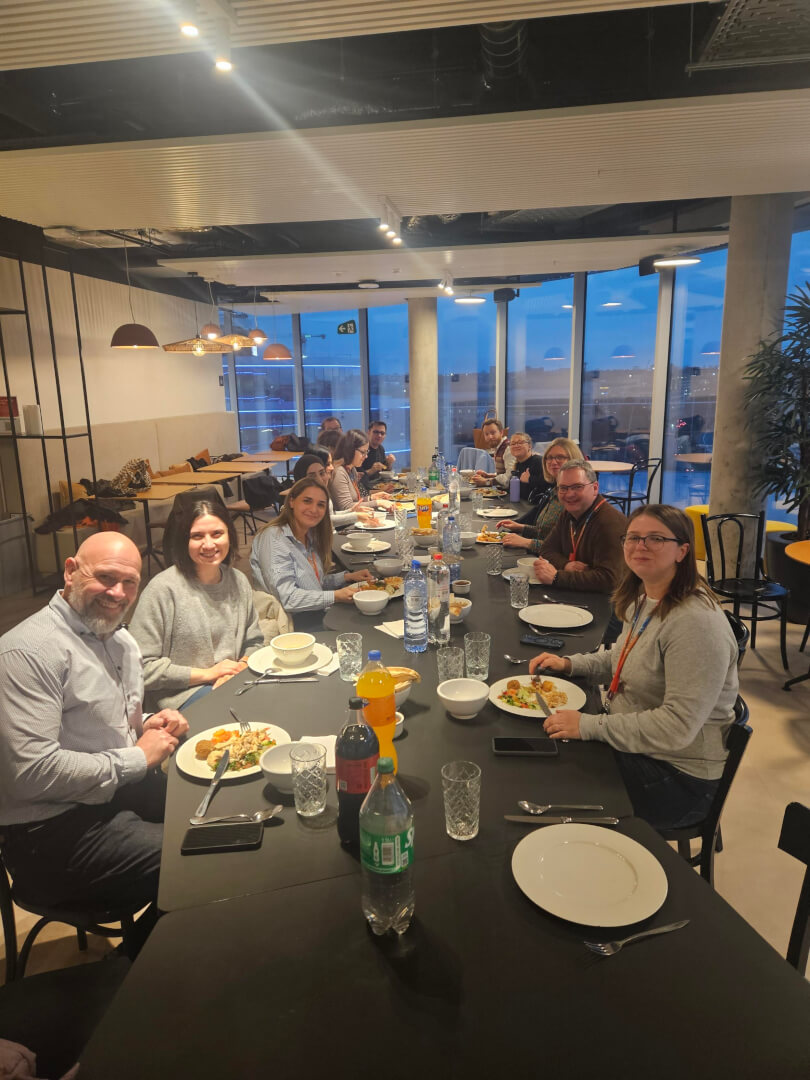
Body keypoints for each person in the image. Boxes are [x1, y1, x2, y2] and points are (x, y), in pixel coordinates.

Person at [0, 533, 188, 943]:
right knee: (193, 857)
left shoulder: (118, 641)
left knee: (213, 818)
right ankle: (140, 975)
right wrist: (138, 759)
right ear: (70, 571)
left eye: (130, 583)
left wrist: (152, 724)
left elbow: (116, 724)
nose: (118, 593)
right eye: (105, 577)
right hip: (48, 835)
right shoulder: (27, 652)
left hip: (109, 795)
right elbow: (30, 772)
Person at [529, 504, 739, 830]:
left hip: (677, 775)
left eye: (655, 538)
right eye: (633, 537)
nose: (640, 546)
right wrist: (570, 664)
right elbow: (621, 658)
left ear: (682, 551)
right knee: (543, 749)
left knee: (553, 778)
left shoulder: (696, 624)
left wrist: (589, 726)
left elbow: (677, 727)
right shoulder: (646, 594)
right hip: (636, 741)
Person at [129, 500, 263, 712]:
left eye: (217, 534)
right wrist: (210, 674)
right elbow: (139, 668)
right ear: (184, 541)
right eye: (197, 536)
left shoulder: (238, 580)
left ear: (230, 535)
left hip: (234, 681)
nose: (209, 545)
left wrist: (240, 668)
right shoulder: (163, 590)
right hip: (181, 696)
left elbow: (255, 640)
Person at [250, 477, 373, 629]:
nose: (314, 510)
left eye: (321, 505)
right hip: (294, 626)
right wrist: (335, 596)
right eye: (307, 501)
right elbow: (288, 598)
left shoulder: (309, 535)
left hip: (314, 614)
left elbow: (313, 584)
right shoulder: (274, 538)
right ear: (291, 502)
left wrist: (346, 577)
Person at [531, 459, 626, 594]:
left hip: (607, 605)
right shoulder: (568, 514)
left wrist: (557, 577)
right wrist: (566, 565)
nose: (569, 494)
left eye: (577, 487)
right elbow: (546, 550)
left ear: (595, 488)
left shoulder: (610, 523)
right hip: (579, 593)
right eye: (563, 488)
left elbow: (610, 580)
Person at [498, 437, 580, 550]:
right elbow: (546, 532)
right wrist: (521, 527)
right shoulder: (555, 491)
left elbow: (566, 548)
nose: (553, 462)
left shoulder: (574, 498)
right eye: (549, 458)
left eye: (560, 457)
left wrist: (527, 543)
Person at [294, 451, 379, 529]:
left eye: (321, 473)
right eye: (312, 476)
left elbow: (330, 514)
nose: (332, 468)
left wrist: (351, 511)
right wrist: (355, 516)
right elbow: (324, 520)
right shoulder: (305, 498)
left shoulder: (321, 491)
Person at [329, 429, 388, 511]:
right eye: (363, 452)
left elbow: (356, 501)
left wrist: (372, 497)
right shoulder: (339, 472)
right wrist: (377, 503)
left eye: (367, 452)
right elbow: (346, 507)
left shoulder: (351, 469)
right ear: (350, 450)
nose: (366, 456)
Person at [493, 431, 547, 499]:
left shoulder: (538, 461)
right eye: (513, 443)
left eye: (520, 442)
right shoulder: (517, 465)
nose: (516, 446)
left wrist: (530, 480)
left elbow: (550, 483)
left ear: (529, 446)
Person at [471, 418, 509, 486]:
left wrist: (486, 481)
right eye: (486, 434)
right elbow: (501, 475)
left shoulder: (508, 448)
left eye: (493, 433)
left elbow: (508, 478)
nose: (490, 437)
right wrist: (488, 475)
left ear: (501, 432)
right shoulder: (498, 447)